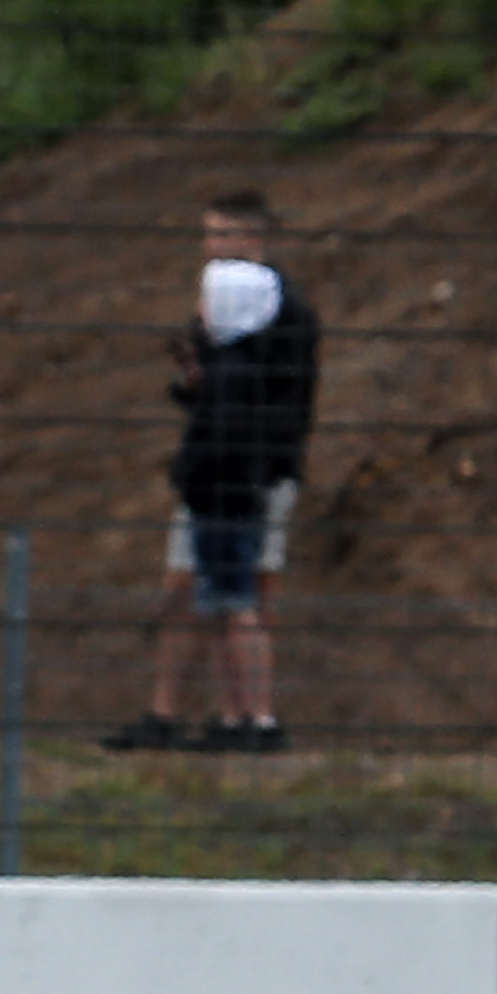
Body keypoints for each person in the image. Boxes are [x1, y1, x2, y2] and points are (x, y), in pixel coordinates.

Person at [114, 192, 319, 754]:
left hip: (252, 475)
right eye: (208, 235)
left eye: (223, 236)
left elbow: (277, 401)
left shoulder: (283, 311)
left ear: (253, 239)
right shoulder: (225, 302)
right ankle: (172, 715)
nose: (212, 248)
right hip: (216, 471)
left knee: (244, 594)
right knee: (189, 588)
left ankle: (248, 717)